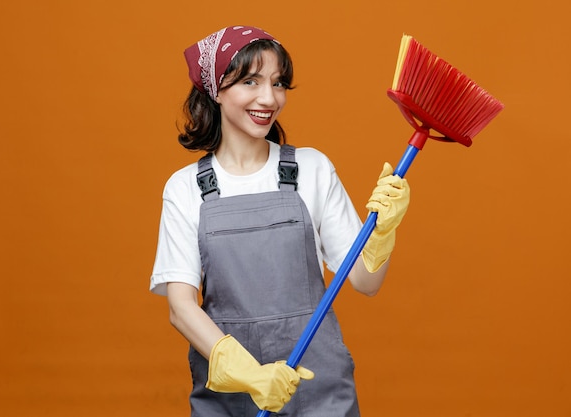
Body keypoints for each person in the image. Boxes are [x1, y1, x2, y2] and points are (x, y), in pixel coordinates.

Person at [150, 25, 410, 417]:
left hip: (320, 393)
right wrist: (249, 375)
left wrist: (383, 232)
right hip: (229, 400)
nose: (269, 98)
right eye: (250, 81)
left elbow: (365, 282)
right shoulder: (185, 188)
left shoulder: (311, 168)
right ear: (216, 90)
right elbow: (181, 307)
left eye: (278, 83)